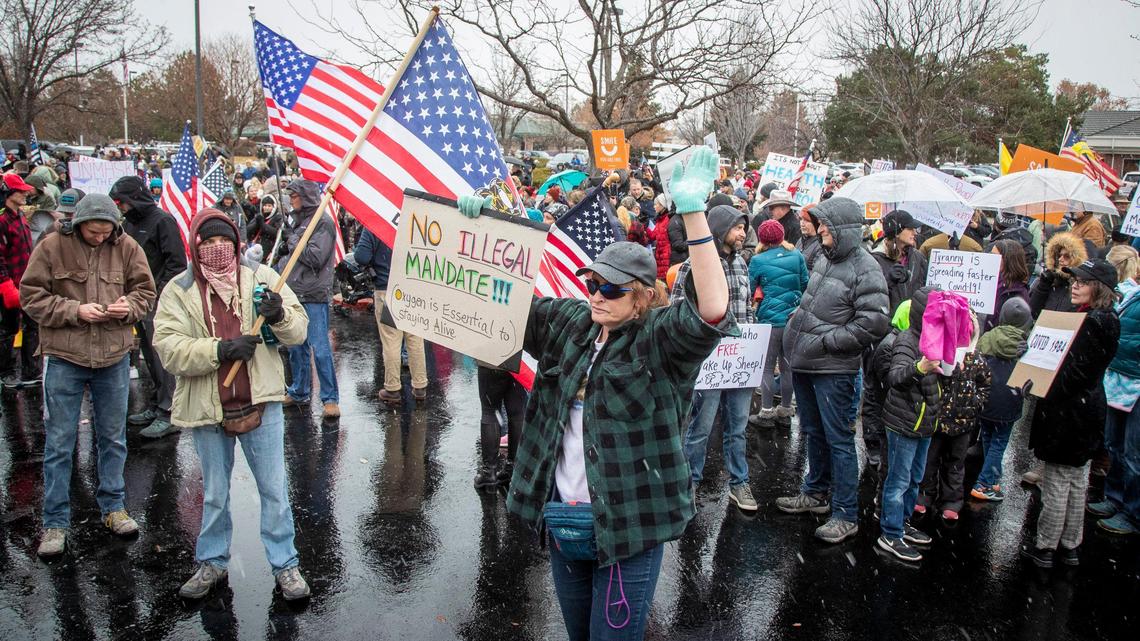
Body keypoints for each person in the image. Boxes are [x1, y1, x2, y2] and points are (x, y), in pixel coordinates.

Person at [459, 146, 732, 640]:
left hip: (630, 528)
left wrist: (693, 212)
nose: (596, 296)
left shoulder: (659, 342)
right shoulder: (570, 323)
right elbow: (500, 307)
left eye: (612, 290)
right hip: (565, 523)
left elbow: (711, 309)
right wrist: (480, 235)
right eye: (593, 283)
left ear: (644, 295)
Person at [153, 209, 312, 601]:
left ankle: (286, 566)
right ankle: (211, 562)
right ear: (195, 245)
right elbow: (168, 349)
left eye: (224, 240)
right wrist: (219, 349)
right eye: (207, 242)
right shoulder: (179, 289)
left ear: (238, 243)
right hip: (207, 407)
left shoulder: (262, 278)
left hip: (261, 404)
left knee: (275, 489)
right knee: (214, 493)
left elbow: (299, 331)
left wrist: (278, 316)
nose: (217, 248)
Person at [21, 194, 157, 557]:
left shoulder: (127, 247)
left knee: (113, 439)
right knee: (60, 443)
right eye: (93, 231)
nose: (99, 237)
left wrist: (129, 306)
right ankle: (54, 523)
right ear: (78, 223)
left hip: (113, 357)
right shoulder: (51, 247)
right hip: (65, 356)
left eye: (105, 232)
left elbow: (146, 292)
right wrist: (75, 310)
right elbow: (30, 296)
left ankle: (113, 508)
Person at [776, 196, 890, 543]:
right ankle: (815, 492)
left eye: (824, 223)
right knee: (814, 431)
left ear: (842, 228)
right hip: (808, 366)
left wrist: (828, 342)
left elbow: (874, 322)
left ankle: (845, 513)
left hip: (833, 370)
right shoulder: (827, 258)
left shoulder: (865, 268)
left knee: (839, 439)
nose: (819, 229)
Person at [1021, 258, 1121, 568]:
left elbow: (1074, 375)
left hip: (1069, 412)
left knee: (1058, 481)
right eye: (1074, 280)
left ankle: (1047, 547)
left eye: (1082, 281)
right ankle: (1070, 545)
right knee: (1077, 479)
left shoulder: (1091, 323)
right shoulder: (1103, 319)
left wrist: (1039, 385)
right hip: (1086, 408)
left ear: (1099, 289)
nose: (1075, 285)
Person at [672, 204, 757, 512]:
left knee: (737, 427)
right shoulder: (693, 266)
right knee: (700, 428)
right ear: (721, 230)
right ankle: (688, 484)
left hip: (739, 363)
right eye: (737, 227)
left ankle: (739, 483)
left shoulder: (742, 264)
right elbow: (676, 310)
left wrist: (749, 340)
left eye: (744, 227)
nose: (743, 233)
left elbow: (746, 308)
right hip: (709, 362)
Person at [109, 175, 186, 438]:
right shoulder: (128, 224)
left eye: (123, 202)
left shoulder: (163, 221)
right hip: (134, 300)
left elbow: (177, 263)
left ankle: (170, 411)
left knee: (161, 357)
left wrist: (158, 294)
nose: (121, 207)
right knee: (148, 357)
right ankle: (156, 404)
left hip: (157, 301)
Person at [878, 287, 940, 561]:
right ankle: (890, 534)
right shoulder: (907, 341)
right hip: (904, 423)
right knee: (899, 480)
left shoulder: (934, 340)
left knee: (915, 478)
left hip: (922, 423)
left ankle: (902, 523)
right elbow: (895, 377)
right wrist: (919, 368)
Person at [916, 312, 990, 522]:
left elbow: (985, 384)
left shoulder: (976, 359)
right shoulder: (940, 354)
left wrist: (976, 403)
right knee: (929, 461)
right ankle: (924, 496)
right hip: (938, 422)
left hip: (963, 424)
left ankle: (951, 501)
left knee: (955, 464)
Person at [277, 179, 340, 419]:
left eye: (294, 196)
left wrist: (292, 241)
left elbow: (315, 257)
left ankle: (330, 398)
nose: (291, 200)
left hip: (314, 294)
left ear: (305, 197)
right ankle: (299, 391)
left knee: (320, 348)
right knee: (295, 347)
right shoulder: (298, 222)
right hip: (294, 293)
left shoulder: (322, 222)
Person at [1088, 246, 1140, 535]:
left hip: (1136, 383)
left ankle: (1133, 513)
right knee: (1114, 444)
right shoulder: (1126, 295)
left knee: (1133, 452)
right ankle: (1115, 498)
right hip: (1118, 379)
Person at [353, 227, 427, 404]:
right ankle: (420, 386)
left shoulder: (374, 223)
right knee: (415, 338)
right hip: (413, 287)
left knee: (391, 340)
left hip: (387, 288)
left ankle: (393, 389)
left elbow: (361, 256)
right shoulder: (413, 220)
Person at [971, 298, 1032, 502]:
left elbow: (977, 361)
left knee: (988, 436)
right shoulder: (1026, 344)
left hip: (986, 397)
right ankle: (985, 483)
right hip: (1008, 401)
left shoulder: (988, 337)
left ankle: (992, 476)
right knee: (998, 442)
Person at [749, 219, 808, 428]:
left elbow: (750, 286)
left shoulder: (758, 260)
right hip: (793, 318)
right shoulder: (797, 255)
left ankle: (765, 411)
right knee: (787, 367)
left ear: (762, 238)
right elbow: (805, 284)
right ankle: (785, 409)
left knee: (767, 366)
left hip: (770, 319)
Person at [0, 173, 40, 389]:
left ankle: (31, 371)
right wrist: (5, 285)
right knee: (8, 329)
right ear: (9, 193)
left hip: (26, 283)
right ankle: (5, 372)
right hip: (9, 285)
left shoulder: (21, 216)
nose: (26, 193)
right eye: (21, 190)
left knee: (32, 325)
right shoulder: (2, 220)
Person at [872, 210, 928, 315]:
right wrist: (888, 281)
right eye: (910, 228)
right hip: (887, 324)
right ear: (897, 232)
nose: (914, 233)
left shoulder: (918, 257)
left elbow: (925, 288)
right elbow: (870, 296)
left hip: (912, 322)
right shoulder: (875, 260)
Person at [1029, 232, 1087, 317]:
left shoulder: (1079, 286)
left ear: (1075, 259)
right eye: (1059, 255)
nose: (1060, 259)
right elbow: (1032, 312)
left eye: (1066, 256)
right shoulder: (1047, 280)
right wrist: (1043, 287)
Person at [983, 240, 1031, 332]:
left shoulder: (1017, 293)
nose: (990, 259)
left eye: (995, 256)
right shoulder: (991, 282)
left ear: (1008, 260)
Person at [795, 204, 823, 272]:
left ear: (816, 223)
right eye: (801, 219)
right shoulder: (801, 240)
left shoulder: (821, 245)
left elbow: (815, 275)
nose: (802, 223)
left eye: (807, 220)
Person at [650, 194, 672, 279]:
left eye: (656, 204)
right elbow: (652, 236)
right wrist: (646, 225)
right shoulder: (660, 220)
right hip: (660, 256)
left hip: (666, 256)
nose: (654, 206)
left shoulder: (667, 219)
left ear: (663, 205)